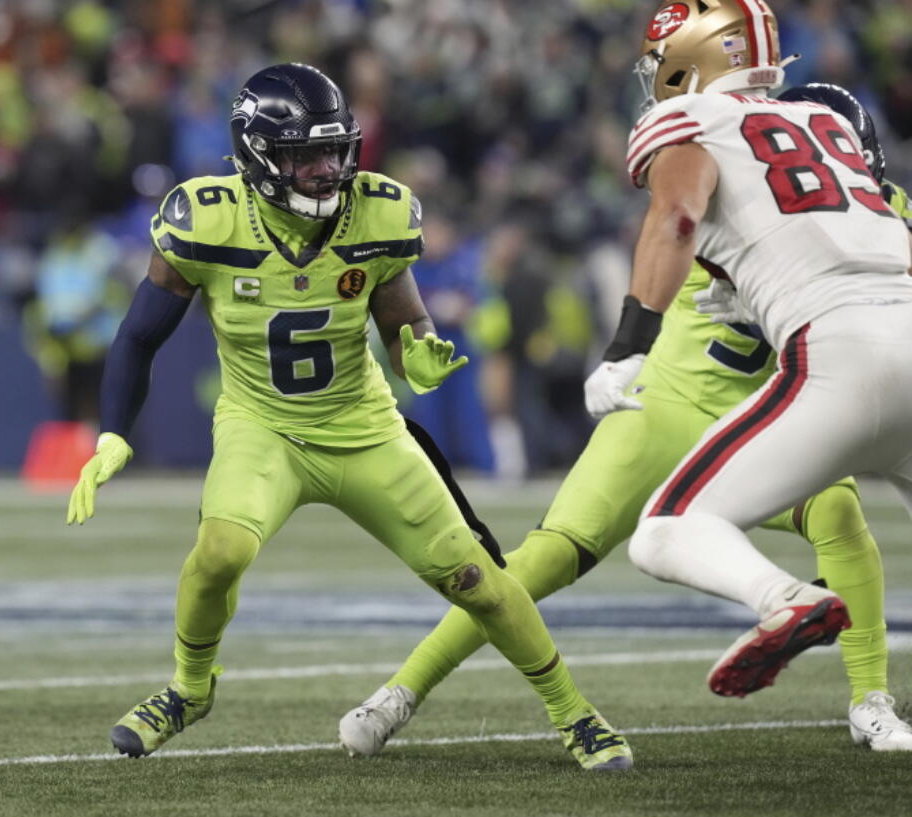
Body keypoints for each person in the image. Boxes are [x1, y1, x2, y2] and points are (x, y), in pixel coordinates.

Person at [66, 63, 632, 771]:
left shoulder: (379, 212)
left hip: (364, 427)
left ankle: (573, 711)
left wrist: (415, 349)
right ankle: (188, 688)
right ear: (258, 155)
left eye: (333, 149)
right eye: (305, 154)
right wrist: (114, 432)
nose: (326, 168)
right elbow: (138, 336)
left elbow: (404, 321)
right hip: (262, 426)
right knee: (219, 554)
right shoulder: (206, 217)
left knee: (476, 578)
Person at [339, 80, 912, 756]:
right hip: (663, 405)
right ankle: (399, 692)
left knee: (841, 518)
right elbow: (676, 224)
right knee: (544, 557)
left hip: (764, 411)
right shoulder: (735, 187)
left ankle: (870, 700)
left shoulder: (883, 214)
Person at [592, 1, 912, 706]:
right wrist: (750, 296)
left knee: (667, 530)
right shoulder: (828, 122)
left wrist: (626, 346)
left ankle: (786, 597)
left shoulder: (688, 121)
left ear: (697, 54)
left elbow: (677, 217)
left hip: (839, 357)